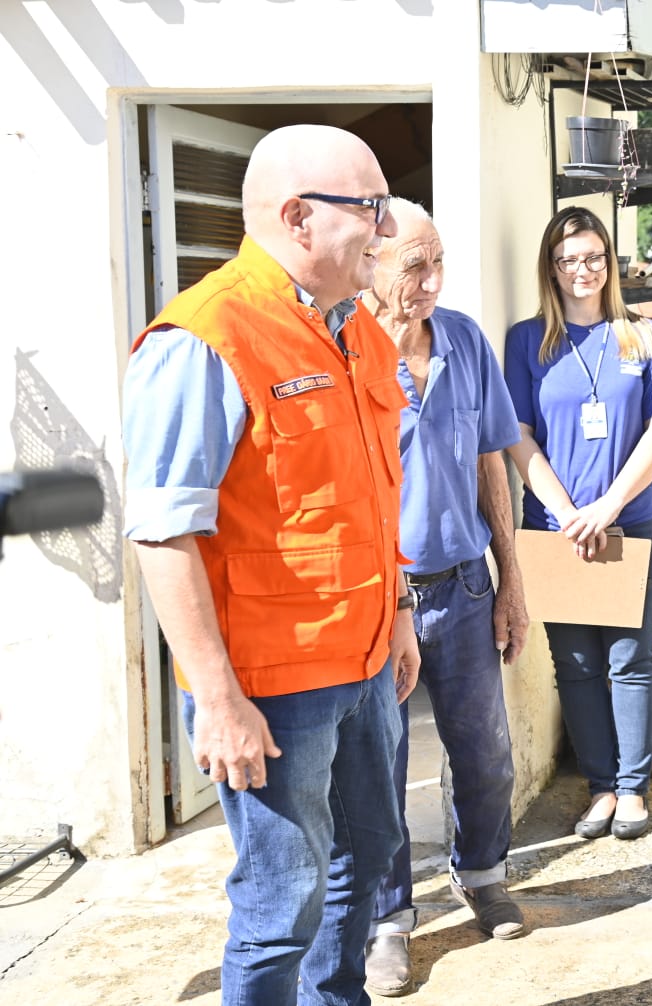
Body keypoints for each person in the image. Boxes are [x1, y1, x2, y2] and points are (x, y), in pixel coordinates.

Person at [122, 124, 416, 1003]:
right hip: (273, 686)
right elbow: (162, 533)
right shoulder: (208, 338)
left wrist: (398, 613)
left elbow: (372, 495)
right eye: (372, 208)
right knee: (280, 900)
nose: (388, 228)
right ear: (297, 218)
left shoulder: (355, 330)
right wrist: (218, 700)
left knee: (367, 857)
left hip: (363, 662)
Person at [359, 199, 531, 996]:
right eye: (413, 268)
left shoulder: (463, 337)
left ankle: (482, 873)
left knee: (485, 753)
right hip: (373, 600)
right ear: (369, 265)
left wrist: (511, 581)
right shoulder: (344, 346)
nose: (430, 284)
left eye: (438, 265)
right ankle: (388, 921)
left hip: (463, 586)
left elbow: (492, 461)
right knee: (378, 770)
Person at [503, 206, 652, 842]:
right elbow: (518, 435)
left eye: (594, 257)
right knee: (574, 661)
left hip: (631, 519)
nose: (584, 270)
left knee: (630, 657)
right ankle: (601, 788)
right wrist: (568, 512)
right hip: (555, 526)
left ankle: (634, 790)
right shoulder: (528, 342)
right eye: (569, 259)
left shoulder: (642, 337)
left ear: (611, 263)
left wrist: (606, 507)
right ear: (551, 269)